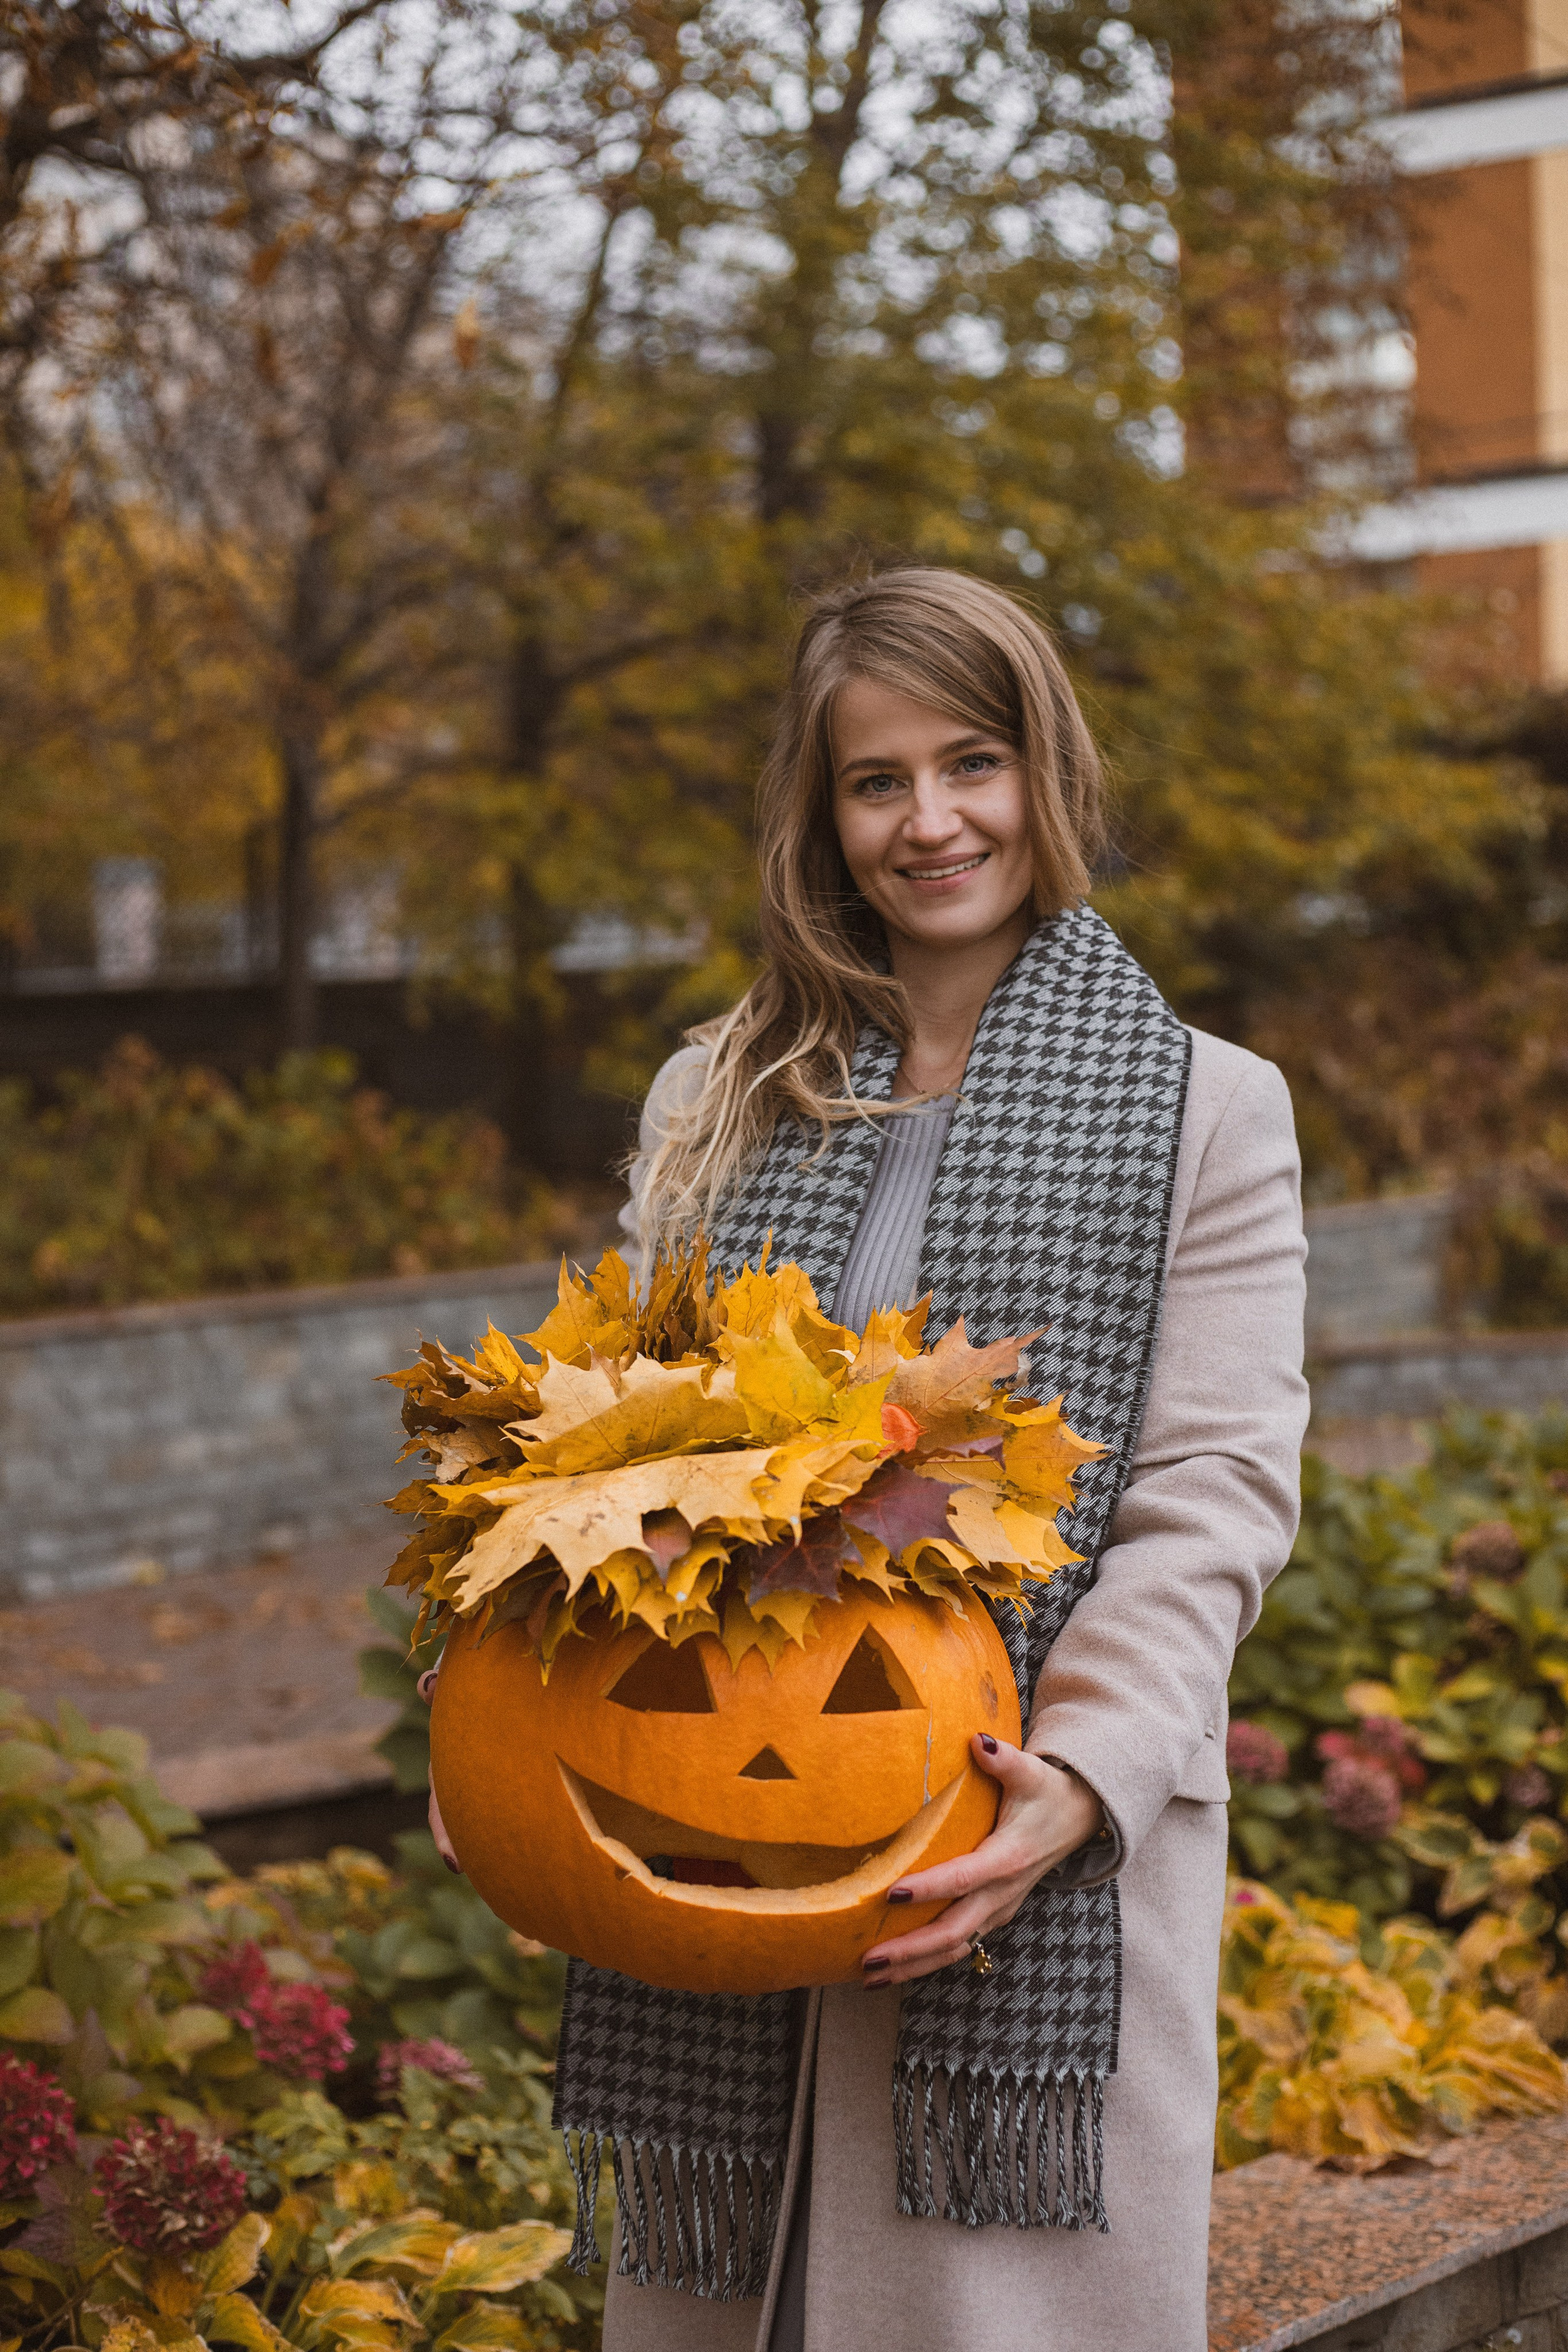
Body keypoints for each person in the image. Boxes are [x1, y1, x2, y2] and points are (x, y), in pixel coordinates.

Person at [433, 567, 1308, 2352]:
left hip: (1024, 1836)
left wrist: (1083, 1779)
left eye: (971, 763)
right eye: (876, 780)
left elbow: (1211, 1492)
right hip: (716, 1822)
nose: (932, 822)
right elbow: (616, 1452)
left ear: (1045, 771)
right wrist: (494, 1707)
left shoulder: (1207, 1107)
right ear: (821, 816)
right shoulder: (719, 1095)